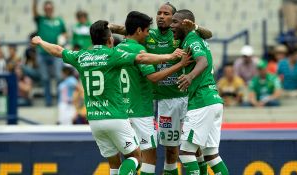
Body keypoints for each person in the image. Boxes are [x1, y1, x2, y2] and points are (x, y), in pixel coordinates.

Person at [31, 20, 186, 175]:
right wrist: (170, 56)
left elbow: (58, 50)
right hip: (115, 116)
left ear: (92, 40)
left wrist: (41, 42)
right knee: (136, 157)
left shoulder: (81, 56)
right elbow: (142, 58)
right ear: (110, 39)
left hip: (94, 120)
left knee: (114, 164)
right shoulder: (113, 55)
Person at [109, 3, 213, 174]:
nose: (161, 16)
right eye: (159, 13)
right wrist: (111, 27)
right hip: (160, 99)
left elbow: (208, 35)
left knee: (190, 145)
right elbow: (130, 30)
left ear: (174, 20)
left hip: (182, 97)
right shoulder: (149, 36)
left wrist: (194, 26)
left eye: (166, 14)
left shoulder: (179, 34)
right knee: (168, 148)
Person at [116, 11, 192, 175]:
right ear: (139, 30)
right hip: (141, 110)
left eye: (166, 14)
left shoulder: (117, 49)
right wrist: (179, 63)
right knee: (149, 155)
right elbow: (153, 77)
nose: (148, 33)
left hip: (121, 110)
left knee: (131, 156)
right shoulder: (139, 50)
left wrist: (112, 28)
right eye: (146, 30)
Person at [171, 9, 229, 175]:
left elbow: (202, 61)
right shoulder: (198, 38)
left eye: (175, 22)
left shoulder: (192, 39)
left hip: (202, 101)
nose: (171, 26)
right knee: (211, 155)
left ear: (185, 24)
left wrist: (189, 76)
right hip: (213, 100)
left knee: (187, 153)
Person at [32, 0, 67, 106]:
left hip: (55, 52)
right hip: (42, 52)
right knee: (45, 78)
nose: (48, 10)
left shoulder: (59, 21)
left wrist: (63, 37)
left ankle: (60, 100)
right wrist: (35, 3)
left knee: (58, 76)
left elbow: (65, 32)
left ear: (52, 9)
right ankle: (48, 101)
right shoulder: (41, 20)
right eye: (46, 8)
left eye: (50, 8)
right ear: (44, 9)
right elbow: (34, 12)